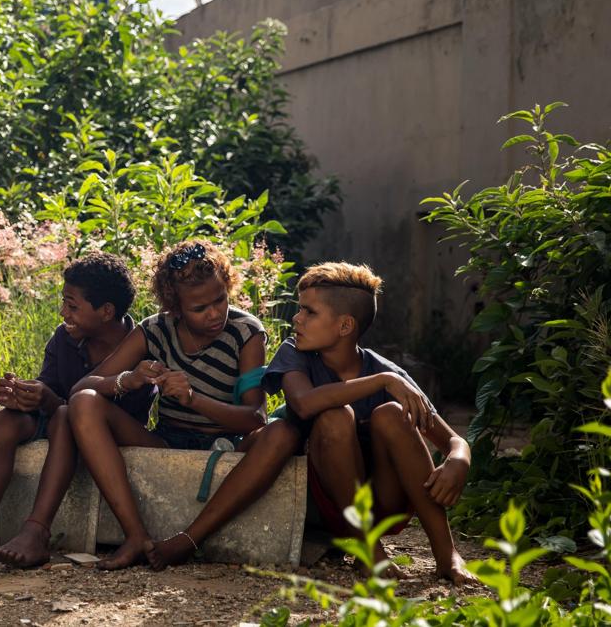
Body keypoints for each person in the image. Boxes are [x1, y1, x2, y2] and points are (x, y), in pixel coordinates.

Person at [68, 240, 297, 570]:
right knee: (85, 403)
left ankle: (189, 539)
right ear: (174, 309)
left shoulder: (246, 332)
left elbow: (255, 418)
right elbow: (81, 388)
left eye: (220, 299)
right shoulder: (154, 329)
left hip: (230, 445)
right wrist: (128, 379)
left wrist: (194, 399)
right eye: (199, 308)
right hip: (168, 440)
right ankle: (136, 536)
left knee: (282, 432)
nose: (215, 313)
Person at [264, 262, 474, 584]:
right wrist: (380, 382)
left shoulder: (387, 374)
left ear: (345, 326)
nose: (296, 318)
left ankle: (447, 557)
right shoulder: (296, 355)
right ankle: (368, 549)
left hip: (386, 500)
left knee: (391, 414)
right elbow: (304, 404)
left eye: (309, 312)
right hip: (327, 503)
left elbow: (453, 441)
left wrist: (459, 460)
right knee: (334, 416)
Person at [0, 253, 153, 566]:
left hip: (106, 433)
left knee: (67, 415)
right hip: (60, 419)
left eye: (73, 305)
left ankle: (37, 532)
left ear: (106, 311)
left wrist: (53, 402)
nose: (63, 312)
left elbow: (90, 409)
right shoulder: (64, 339)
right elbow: (50, 390)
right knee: (5, 419)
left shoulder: (138, 346)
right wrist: (26, 396)